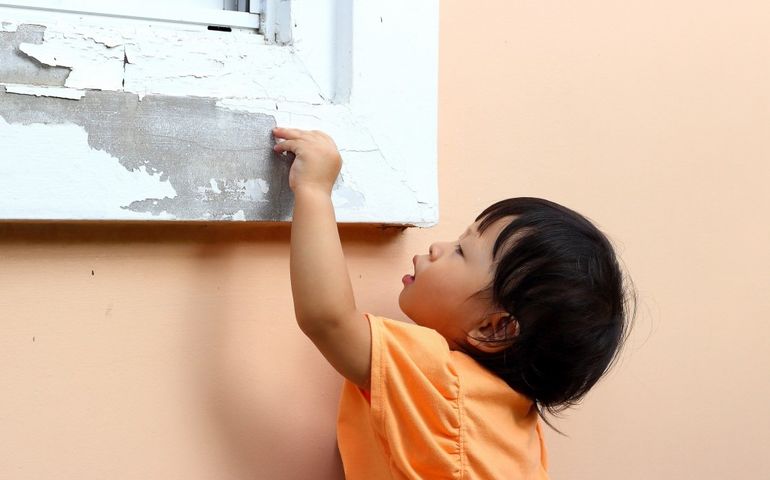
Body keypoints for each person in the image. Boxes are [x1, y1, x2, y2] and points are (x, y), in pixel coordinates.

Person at [272, 127, 635, 479]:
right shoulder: (513, 420)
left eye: (461, 251)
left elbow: (328, 319)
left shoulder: (448, 387)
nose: (438, 248)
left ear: (494, 328)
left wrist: (315, 190)